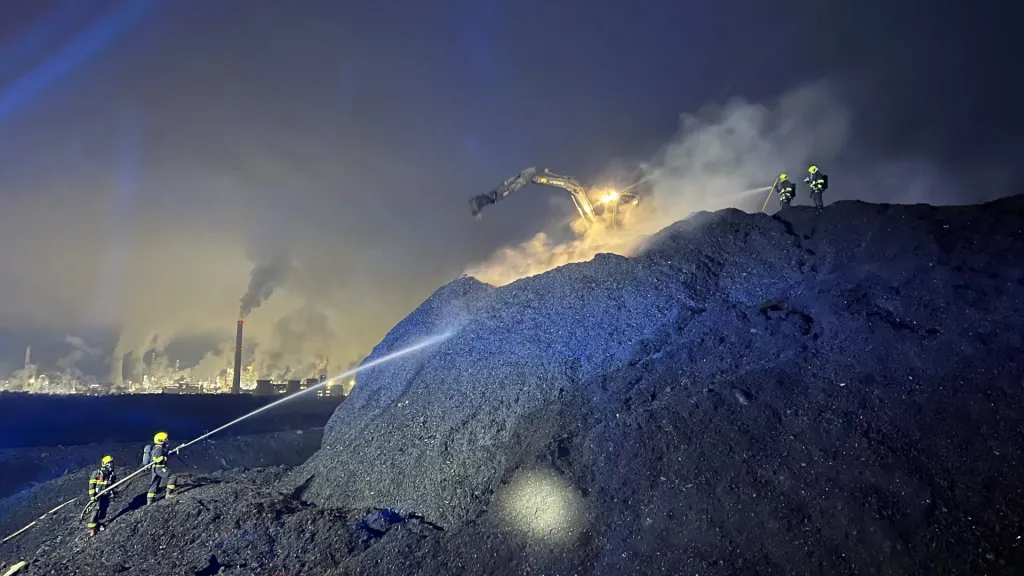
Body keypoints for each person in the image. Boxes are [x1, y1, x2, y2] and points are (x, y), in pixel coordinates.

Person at [86, 455, 117, 536]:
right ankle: (92, 528)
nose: (111, 466)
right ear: (105, 464)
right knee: (95, 511)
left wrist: (112, 493)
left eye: (112, 464)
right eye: (110, 464)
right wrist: (92, 496)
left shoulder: (112, 475)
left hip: (105, 495)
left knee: (103, 510)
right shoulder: (98, 473)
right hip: (97, 495)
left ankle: (100, 524)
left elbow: (112, 485)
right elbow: (91, 485)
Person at [145, 432, 178, 504]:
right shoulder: (159, 449)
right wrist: (165, 458)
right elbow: (157, 459)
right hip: (159, 467)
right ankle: (169, 494)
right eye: (165, 439)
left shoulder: (157, 448)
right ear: (161, 440)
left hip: (155, 468)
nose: (167, 440)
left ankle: (150, 500)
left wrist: (171, 453)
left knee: (155, 483)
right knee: (173, 476)